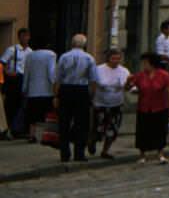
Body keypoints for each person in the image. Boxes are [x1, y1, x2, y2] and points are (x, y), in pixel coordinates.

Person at [54, 33, 95, 162]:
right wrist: (91, 95)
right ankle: (79, 153)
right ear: (84, 45)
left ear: (72, 43)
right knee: (81, 123)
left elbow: (57, 78)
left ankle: (64, 153)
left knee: (64, 122)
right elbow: (93, 79)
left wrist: (56, 95)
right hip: (81, 90)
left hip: (66, 90)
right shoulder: (89, 58)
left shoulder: (64, 57)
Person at [129, 52, 169, 164]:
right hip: (144, 107)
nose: (144, 65)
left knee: (160, 131)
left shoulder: (164, 75)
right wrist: (128, 81)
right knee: (143, 131)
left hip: (160, 107)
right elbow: (129, 88)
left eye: (146, 63)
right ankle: (142, 155)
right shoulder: (140, 75)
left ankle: (160, 154)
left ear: (152, 63)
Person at [88, 47, 128, 159]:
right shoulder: (99, 69)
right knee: (98, 127)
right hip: (100, 103)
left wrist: (129, 84)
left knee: (113, 129)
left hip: (116, 103)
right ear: (108, 59)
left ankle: (105, 150)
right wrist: (92, 98)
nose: (116, 61)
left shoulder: (123, 71)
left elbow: (127, 85)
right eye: (113, 58)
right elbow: (94, 84)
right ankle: (92, 141)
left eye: (118, 59)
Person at [22, 43, 56, 146]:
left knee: (32, 114)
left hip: (33, 90)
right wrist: (55, 86)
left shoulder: (30, 56)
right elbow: (51, 72)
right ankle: (44, 136)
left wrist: (24, 88)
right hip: (46, 89)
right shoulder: (51, 55)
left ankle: (32, 135)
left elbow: (26, 73)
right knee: (46, 114)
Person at [1, 27, 30, 139]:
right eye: (23, 36)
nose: (25, 38)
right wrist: (7, 73)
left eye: (27, 36)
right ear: (19, 37)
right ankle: (6, 129)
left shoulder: (30, 52)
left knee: (21, 105)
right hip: (14, 79)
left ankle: (17, 129)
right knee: (10, 105)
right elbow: (1, 63)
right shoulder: (12, 50)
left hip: (24, 79)